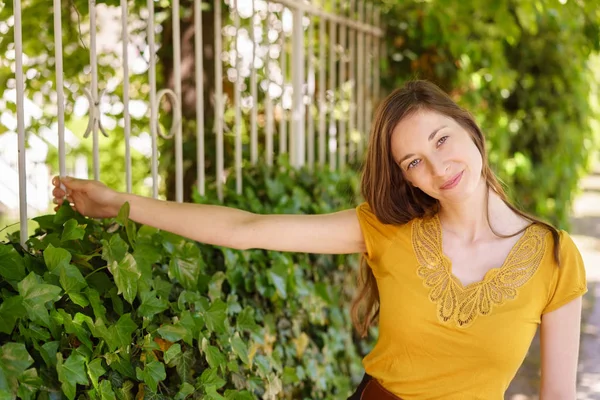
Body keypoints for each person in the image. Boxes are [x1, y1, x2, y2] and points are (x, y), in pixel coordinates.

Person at [51, 80, 587, 400]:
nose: (438, 165)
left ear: (471, 130)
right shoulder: (388, 229)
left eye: (442, 138)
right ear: (407, 178)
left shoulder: (557, 258)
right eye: (414, 161)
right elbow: (247, 230)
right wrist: (115, 203)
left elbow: (559, 395)